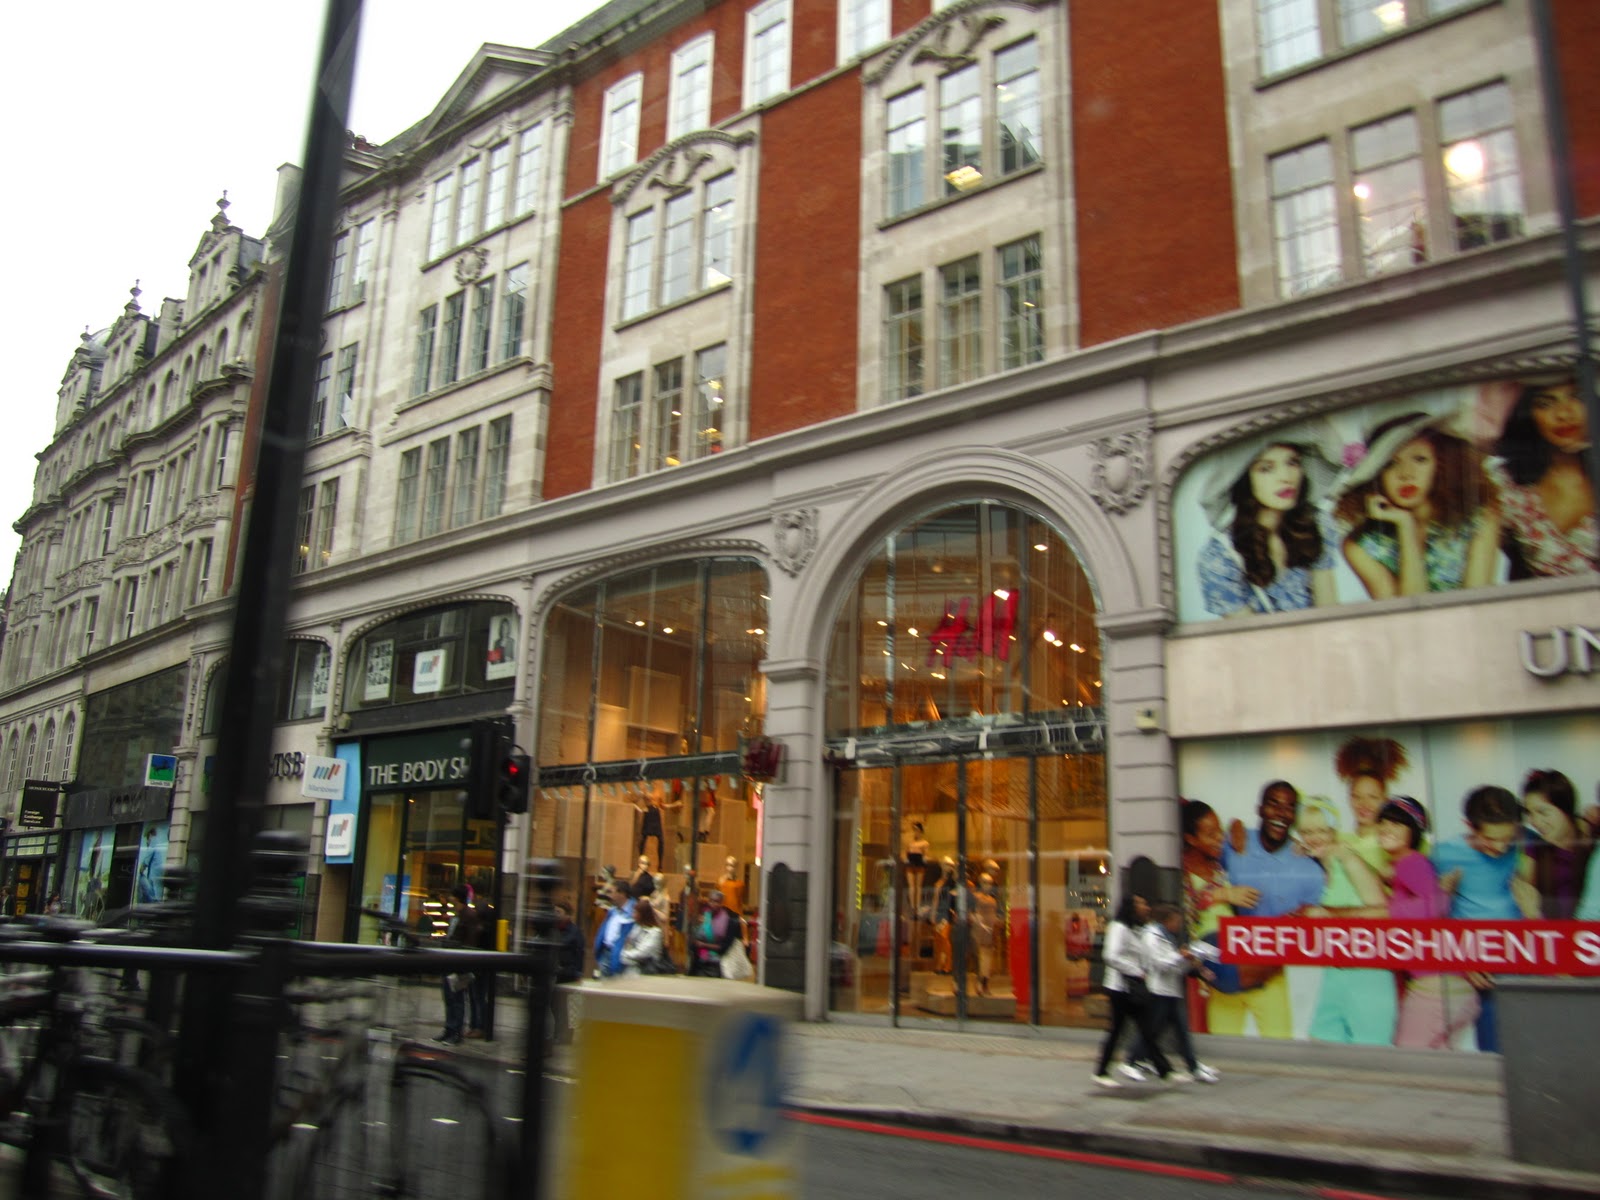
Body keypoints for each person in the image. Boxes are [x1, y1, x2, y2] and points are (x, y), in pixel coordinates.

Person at [1334, 411, 1500, 598]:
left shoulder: (1479, 516)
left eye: (1420, 459)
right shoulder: (1362, 546)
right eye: (1390, 464)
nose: (1406, 474)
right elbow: (1408, 612)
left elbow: (1477, 605)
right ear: (1376, 474)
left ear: (1440, 465)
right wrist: (1406, 527)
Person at [1216, 781, 1325, 1037]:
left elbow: (1312, 928)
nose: (1280, 813)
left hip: (1271, 975)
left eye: (1289, 808)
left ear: (1295, 816)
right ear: (1259, 809)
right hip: (1227, 968)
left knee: (1280, 1044)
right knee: (1219, 1044)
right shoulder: (1233, 844)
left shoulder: (1310, 870)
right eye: (1273, 804)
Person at [1434, 785, 1531, 1052]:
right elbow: (1437, 916)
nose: (1500, 847)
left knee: (1532, 1039)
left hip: (1523, 953)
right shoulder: (1445, 854)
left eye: (1507, 838)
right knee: (1493, 1045)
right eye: (1490, 839)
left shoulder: (1523, 844)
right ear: (1470, 826)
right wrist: (1464, 958)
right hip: (1479, 961)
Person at [1196, 439, 1339, 617]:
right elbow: (1250, 633)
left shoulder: (1316, 523)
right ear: (1243, 479)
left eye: (1292, 462)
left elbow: (1329, 611)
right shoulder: (1218, 559)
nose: (1286, 477)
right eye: (1266, 468)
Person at [1295, 798, 1395, 1045]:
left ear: (1333, 830)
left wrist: (1330, 916)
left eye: (1320, 831)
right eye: (1307, 832)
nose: (1313, 838)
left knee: (1370, 1056)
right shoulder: (1318, 865)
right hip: (1335, 975)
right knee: (1321, 1046)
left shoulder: (1348, 859)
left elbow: (1386, 912)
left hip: (1368, 976)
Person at [1488, 377, 1597, 578]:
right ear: (1528, 414)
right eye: (1545, 404)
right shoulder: (1508, 483)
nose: (1563, 414)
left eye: (1577, 397)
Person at [1128, 903, 1217, 1083]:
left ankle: (1192, 1066)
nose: (1179, 925)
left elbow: (1174, 966)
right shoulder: (1152, 937)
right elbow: (1159, 964)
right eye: (1176, 921)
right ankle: (1132, 1062)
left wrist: (1192, 962)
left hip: (1170, 990)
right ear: (1166, 921)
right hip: (1158, 990)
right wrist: (1182, 956)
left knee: (1178, 1031)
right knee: (1154, 1030)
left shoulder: (1167, 937)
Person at [1091, 893, 1173, 1087]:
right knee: (1121, 1030)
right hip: (1120, 988)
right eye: (1141, 904)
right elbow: (1111, 956)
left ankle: (1164, 1070)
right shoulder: (1119, 928)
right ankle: (1102, 1072)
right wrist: (1136, 972)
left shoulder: (1133, 929)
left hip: (1130, 988)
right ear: (1131, 907)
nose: (1146, 907)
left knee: (1144, 1029)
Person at [1514, 769, 1592, 919]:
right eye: (1529, 813)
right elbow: (1526, 897)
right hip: (1550, 930)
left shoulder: (1592, 844)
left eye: (1543, 812)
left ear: (1566, 809)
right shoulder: (1535, 849)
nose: (1535, 822)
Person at [1333, 735, 1409, 876]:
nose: (1364, 804)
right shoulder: (1338, 839)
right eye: (1357, 796)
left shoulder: (1394, 841)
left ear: (1385, 800)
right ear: (1349, 799)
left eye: (1373, 797)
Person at [437, 886, 482, 1045]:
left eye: (452, 896)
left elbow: (469, 940)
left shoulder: (468, 915)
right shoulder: (458, 914)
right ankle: (450, 1029)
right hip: (451, 960)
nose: (450, 898)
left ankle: (455, 1032)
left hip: (459, 963)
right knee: (450, 997)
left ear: (457, 898)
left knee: (457, 998)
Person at [550, 901, 583, 1043]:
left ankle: (567, 1036)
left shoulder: (574, 932)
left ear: (567, 915)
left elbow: (579, 953)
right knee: (555, 1005)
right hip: (557, 972)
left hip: (569, 973)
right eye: (554, 911)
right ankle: (558, 1033)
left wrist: (578, 973)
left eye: (559, 912)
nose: (556, 914)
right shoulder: (553, 930)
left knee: (568, 1006)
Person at [592, 880, 636, 980]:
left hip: (622, 957)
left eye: (611, 892)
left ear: (622, 893)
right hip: (605, 952)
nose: (608, 896)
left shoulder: (634, 911)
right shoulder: (613, 910)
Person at [690, 889, 740, 977]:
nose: (712, 904)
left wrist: (704, 945)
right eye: (710, 901)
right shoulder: (704, 916)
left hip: (717, 964)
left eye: (716, 902)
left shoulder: (728, 922)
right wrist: (698, 925)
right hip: (700, 962)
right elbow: (695, 939)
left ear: (721, 903)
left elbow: (723, 947)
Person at [621, 894, 666, 976]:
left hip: (647, 970)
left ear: (643, 914)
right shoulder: (636, 927)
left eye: (635, 912)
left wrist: (623, 954)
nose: (633, 915)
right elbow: (628, 944)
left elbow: (643, 953)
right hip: (631, 967)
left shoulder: (655, 932)